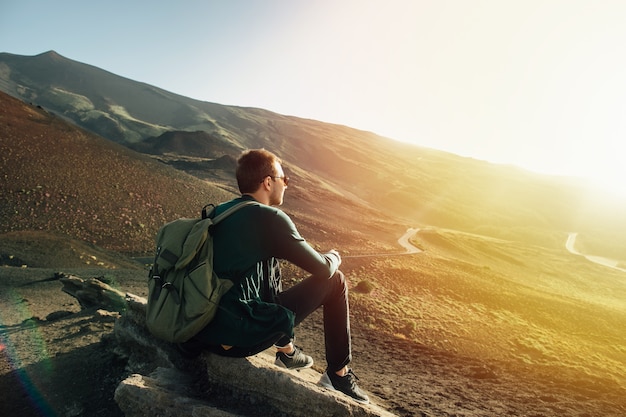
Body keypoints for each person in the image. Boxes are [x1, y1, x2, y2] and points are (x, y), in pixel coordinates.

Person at [179, 148, 369, 404]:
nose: (286, 185)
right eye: (284, 179)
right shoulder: (270, 218)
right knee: (336, 281)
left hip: (199, 331)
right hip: (233, 338)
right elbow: (323, 269)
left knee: (266, 261)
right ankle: (338, 374)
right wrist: (334, 256)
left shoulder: (219, 211)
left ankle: (286, 350)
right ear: (268, 182)